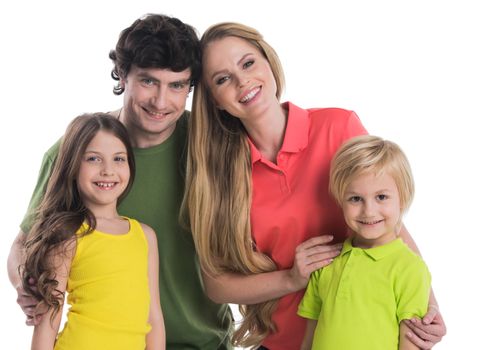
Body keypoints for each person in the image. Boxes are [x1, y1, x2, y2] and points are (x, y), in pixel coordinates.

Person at [184, 22, 446, 350]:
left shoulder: (338, 128)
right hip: (281, 342)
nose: (243, 81)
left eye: (248, 63)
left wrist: (427, 308)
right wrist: (291, 278)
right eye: (223, 79)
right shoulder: (219, 176)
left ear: (268, 61)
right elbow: (218, 285)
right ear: (215, 100)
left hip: (367, 338)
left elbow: (389, 224)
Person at [7, 14, 233, 350]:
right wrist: (30, 287)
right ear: (122, 74)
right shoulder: (75, 153)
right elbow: (24, 245)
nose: (161, 101)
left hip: (205, 341)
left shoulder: (209, 143)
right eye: (148, 81)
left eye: (177, 86)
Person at [22, 113, 164, 349]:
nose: (108, 170)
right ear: (73, 165)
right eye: (93, 159)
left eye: (119, 159)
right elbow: (48, 319)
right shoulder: (68, 234)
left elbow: (154, 317)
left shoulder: (146, 236)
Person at [298, 135, 431, 350]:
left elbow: (411, 344)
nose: (368, 211)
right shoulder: (325, 263)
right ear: (341, 201)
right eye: (355, 199)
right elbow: (308, 341)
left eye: (381, 197)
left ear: (403, 199)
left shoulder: (410, 268)